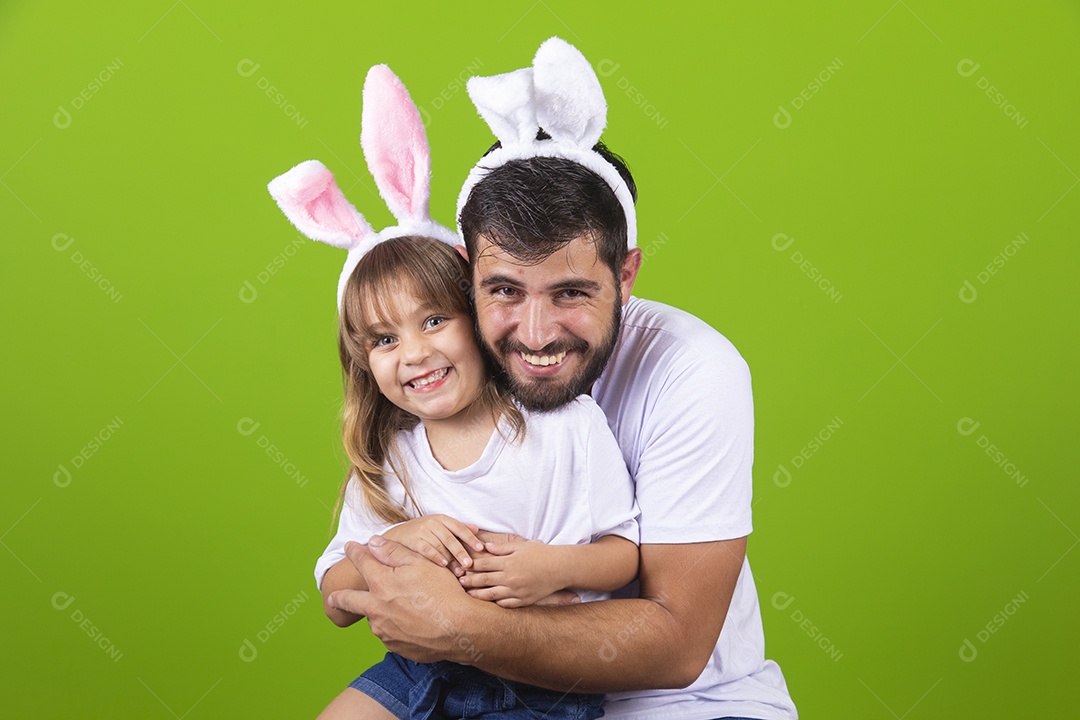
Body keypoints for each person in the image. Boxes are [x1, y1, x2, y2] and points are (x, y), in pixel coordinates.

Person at [324, 38, 799, 720]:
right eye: (506, 290)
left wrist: (459, 624)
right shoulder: (440, 378)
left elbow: (678, 643)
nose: (537, 334)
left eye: (572, 291)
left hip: (688, 702)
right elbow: (347, 578)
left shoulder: (695, 370)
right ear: (464, 272)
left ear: (625, 274)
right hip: (461, 686)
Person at [269, 64, 639, 720]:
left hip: (540, 682)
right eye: (383, 340)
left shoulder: (567, 427)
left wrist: (551, 569)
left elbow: (624, 556)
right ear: (363, 361)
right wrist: (392, 547)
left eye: (433, 321)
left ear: (478, 315)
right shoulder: (391, 462)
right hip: (421, 669)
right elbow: (335, 598)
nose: (414, 353)